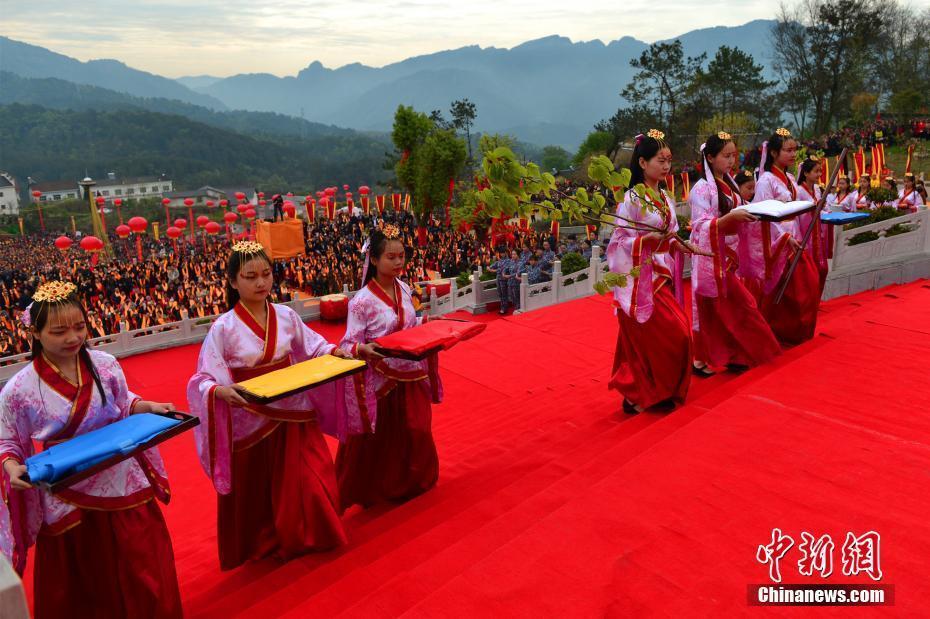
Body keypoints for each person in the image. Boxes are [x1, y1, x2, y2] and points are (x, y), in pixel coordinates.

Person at [0, 281, 182, 618]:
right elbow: (7, 440)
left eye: (79, 327)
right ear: (35, 334)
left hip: (119, 468)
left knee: (140, 559)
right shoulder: (18, 389)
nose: (72, 338)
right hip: (64, 482)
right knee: (83, 576)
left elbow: (123, 402)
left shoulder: (106, 364)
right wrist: (11, 467)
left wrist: (150, 406)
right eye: (58, 331)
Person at [187, 241, 357, 571]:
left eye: (266, 274)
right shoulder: (223, 327)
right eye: (250, 276)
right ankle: (268, 540)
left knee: (310, 473)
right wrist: (218, 391)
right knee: (261, 485)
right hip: (252, 412)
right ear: (234, 282)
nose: (261, 283)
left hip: (293, 404)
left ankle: (313, 532)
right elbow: (203, 378)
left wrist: (333, 351)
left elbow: (313, 345)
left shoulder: (286, 315)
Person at [336, 224, 442, 510]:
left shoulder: (404, 288)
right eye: (391, 257)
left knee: (417, 428)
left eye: (401, 256)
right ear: (373, 260)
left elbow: (408, 325)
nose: (398, 263)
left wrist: (427, 326)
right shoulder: (361, 302)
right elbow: (348, 344)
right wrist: (362, 349)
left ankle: (414, 482)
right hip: (380, 377)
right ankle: (379, 490)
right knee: (379, 439)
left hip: (410, 370)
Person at [606, 129, 697, 414]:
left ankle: (649, 391)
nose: (666, 165)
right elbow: (618, 242)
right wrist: (645, 242)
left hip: (663, 274)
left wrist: (679, 246)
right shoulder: (632, 199)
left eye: (669, 160)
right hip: (644, 277)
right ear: (642, 163)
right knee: (675, 333)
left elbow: (668, 237)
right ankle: (644, 390)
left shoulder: (665, 196)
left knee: (663, 336)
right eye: (660, 160)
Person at [689, 132, 781, 376]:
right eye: (726, 156)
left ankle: (729, 355)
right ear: (710, 157)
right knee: (733, 306)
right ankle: (711, 356)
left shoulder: (728, 184)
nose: (732, 161)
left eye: (734, 156)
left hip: (727, 255)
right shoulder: (701, 189)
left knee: (727, 308)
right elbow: (699, 225)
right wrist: (729, 218)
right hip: (710, 256)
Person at [752, 128, 821, 345]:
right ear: (773, 153)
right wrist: (783, 238)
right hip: (779, 239)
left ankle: (796, 332)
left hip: (795, 236)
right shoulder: (766, 181)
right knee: (790, 290)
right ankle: (779, 333)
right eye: (787, 150)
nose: (792, 155)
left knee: (807, 285)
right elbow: (763, 214)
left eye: (794, 150)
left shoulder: (791, 178)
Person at [795, 157, 833, 292]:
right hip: (806, 235)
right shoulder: (798, 191)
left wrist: (828, 213)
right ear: (805, 173)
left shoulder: (817, 189)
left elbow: (825, 208)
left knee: (822, 269)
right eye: (816, 171)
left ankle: (817, 301)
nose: (819, 174)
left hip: (818, 233)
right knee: (808, 272)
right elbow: (797, 215)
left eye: (820, 171)